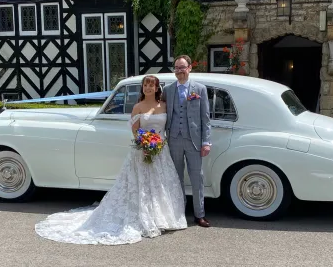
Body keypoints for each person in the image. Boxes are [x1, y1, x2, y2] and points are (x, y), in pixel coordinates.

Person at [35, 75, 187, 245]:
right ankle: (146, 216)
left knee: (160, 184)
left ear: (158, 88)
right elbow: (135, 130)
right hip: (142, 150)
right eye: (146, 85)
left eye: (152, 85)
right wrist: (144, 144)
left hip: (161, 150)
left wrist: (158, 143)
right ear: (142, 88)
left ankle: (163, 216)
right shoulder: (138, 106)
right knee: (142, 185)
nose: (148, 88)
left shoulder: (164, 105)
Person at [162, 55, 212, 228]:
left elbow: (205, 118)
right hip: (173, 139)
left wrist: (206, 142)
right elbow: (161, 113)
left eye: (182, 67)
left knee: (197, 177)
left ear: (190, 68)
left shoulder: (200, 89)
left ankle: (200, 215)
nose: (179, 71)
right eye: (176, 68)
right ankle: (178, 213)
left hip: (194, 141)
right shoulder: (167, 90)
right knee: (176, 178)